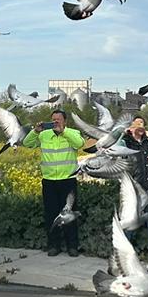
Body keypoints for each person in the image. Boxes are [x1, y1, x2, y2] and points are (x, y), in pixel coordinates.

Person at [22, 108, 90, 256]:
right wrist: (35, 131)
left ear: (65, 121)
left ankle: (72, 246)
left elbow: (79, 144)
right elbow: (27, 143)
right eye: (53, 119)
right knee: (51, 215)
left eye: (58, 119)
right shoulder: (44, 135)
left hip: (67, 180)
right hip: (49, 181)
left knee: (69, 214)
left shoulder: (72, 133)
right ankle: (54, 246)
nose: (55, 122)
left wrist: (64, 131)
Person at [119, 116, 148, 266]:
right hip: (134, 190)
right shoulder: (125, 142)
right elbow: (115, 151)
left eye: (141, 124)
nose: (139, 126)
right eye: (136, 124)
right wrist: (124, 133)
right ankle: (123, 254)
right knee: (130, 222)